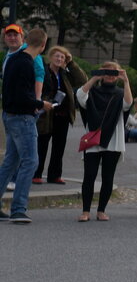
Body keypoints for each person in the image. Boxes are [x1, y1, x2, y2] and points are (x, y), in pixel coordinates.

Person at [0, 27, 52, 223]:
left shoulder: (13, 58)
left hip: (9, 114)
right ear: (44, 45)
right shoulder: (27, 63)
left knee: (10, 161)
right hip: (23, 117)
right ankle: (19, 208)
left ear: (26, 40)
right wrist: (41, 104)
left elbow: (10, 90)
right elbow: (24, 96)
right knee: (30, 161)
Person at [75, 61, 133, 221]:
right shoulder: (92, 91)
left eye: (113, 72)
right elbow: (80, 96)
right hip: (94, 137)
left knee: (108, 177)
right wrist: (94, 78)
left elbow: (128, 104)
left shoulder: (120, 92)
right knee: (89, 175)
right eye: (106, 72)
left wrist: (126, 80)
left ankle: (101, 210)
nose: (109, 75)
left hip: (113, 139)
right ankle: (85, 211)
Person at [34, 45, 87, 185]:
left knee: (59, 146)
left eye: (62, 57)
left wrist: (71, 63)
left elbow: (83, 81)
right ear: (51, 57)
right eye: (57, 56)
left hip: (62, 115)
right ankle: (36, 173)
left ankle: (55, 175)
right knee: (42, 144)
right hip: (46, 114)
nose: (59, 59)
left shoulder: (65, 73)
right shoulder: (43, 70)